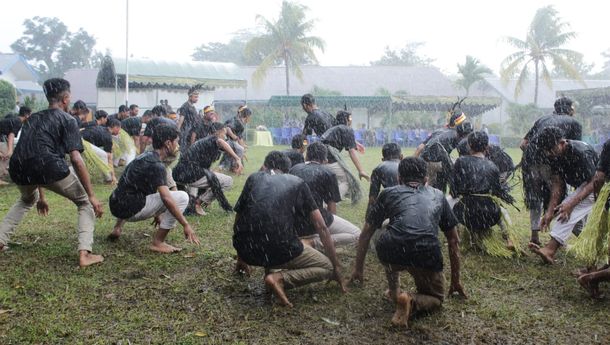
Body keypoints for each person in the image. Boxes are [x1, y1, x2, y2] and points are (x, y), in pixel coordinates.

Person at [350, 157, 465, 328]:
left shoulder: (388, 193)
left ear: (399, 178)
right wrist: (455, 280)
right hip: (425, 253)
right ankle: (410, 300)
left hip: (391, 251)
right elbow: (453, 240)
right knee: (436, 298)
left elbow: (366, 234)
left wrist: (358, 270)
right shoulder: (438, 195)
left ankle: (394, 291)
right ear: (426, 179)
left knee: (391, 235)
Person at [0, 78, 104, 267]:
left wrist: (41, 196)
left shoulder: (32, 118)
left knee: (25, 200)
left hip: (18, 167)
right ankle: (84, 254)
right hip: (47, 166)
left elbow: (33, 154)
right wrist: (92, 195)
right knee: (84, 203)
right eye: (69, 97)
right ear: (65, 99)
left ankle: (0, 240)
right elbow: (76, 159)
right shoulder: (67, 119)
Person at [232, 151, 346, 307]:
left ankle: (270, 270)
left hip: (248, 251)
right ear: (288, 169)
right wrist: (336, 266)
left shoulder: (253, 178)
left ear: (265, 166)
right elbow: (321, 227)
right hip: (278, 247)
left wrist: (241, 257)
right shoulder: (297, 182)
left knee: (267, 232)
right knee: (326, 267)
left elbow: (239, 219)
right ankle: (279, 279)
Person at [108, 124, 200, 253]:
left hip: (115, 204)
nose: (177, 146)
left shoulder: (143, 157)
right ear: (168, 143)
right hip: (129, 210)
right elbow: (166, 198)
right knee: (182, 197)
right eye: (176, 142)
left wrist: (157, 212)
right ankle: (158, 242)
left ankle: (117, 228)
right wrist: (186, 224)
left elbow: (134, 185)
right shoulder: (157, 166)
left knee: (129, 190)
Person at [529, 127, 598, 264]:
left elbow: (593, 182)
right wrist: (549, 212)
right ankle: (594, 246)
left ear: (562, 143)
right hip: (582, 185)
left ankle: (550, 249)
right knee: (577, 222)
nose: (549, 153)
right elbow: (557, 183)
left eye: (551, 149)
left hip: (598, 184)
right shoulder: (555, 155)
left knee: (566, 212)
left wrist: (570, 204)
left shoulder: (581, 153)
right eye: (546, 150)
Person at [520, 96, 582, 245]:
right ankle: (563, 236)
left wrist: (535, 157)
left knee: (534, 198)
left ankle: (534, 235)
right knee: (558, 198)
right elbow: (575, 149)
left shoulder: (542, 119)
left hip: (530, 162)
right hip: (552, 163)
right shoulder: (574, 123)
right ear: (570, 110)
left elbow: (523, 144)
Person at [289, 142, 361, 250]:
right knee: (357, 234)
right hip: (314, 221)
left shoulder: (294, 169)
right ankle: (313, 242)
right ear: (326, 160)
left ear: (306, 156)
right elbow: (332, 208)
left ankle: (312, 238)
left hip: (294, 223)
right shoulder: (328, 173)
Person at [450, 131, 515, 248]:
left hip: (466, 212)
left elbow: (454, 191)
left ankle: (456, 238)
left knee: (448, 202)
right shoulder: (493, 166)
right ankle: (509, 239)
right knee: (503, 212)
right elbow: (497, 193)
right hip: (489, 215)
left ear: (469, 145)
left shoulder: (460, 161)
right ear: (487, 146)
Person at [173, 122, 242, 216]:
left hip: (180, 175)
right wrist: (237, 158)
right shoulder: (214, 139)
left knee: (209, 176)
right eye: (224, 133)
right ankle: (198, 203)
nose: (225, 137)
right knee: (228, 181)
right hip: (189, 174)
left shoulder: (203, 142)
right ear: (218, 132)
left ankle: (193, 203)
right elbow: (220, 141)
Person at [575, 139, 610, 298]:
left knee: (596, 242)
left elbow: (598, 178)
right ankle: (591, 277)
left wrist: (598, 202)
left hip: (607, 199)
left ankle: (593, 276)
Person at [415, 109, 473, 193]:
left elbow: (420, 148)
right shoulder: (457, 134)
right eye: (464, 122)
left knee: (427, 188)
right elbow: (463, 154)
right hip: (437, 163)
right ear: (459, 124)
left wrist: (411, 163)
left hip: (424, 161)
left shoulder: (439, 130)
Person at [320, 110, 370, 203]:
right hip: (328, 159)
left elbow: (340, 139)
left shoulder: (335, 128)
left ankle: (326, 199)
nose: (351, 120)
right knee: (348, 181)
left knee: (334, 179)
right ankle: (331, 202)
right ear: (347, 119)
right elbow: (351, 152)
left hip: (318, 158)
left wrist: (356, 144)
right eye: (350, 118)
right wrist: (361, 170)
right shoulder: (347, 129)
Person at [81, 116, 118, 184]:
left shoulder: (102, 129)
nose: (119, 131)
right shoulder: (108, 137)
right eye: (119, 128)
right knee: (104, 155)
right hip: (81, 141)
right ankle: (109, 179)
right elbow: (109, 158)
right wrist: (113, 176)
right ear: (115, 127)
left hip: (78, 139)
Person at [0, 106, 31, 185]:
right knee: (6, 155)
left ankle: (4, 173)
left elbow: (8, 135)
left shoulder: (14, 120)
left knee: (3, 154)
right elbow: (11, 135)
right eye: (30, 115)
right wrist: (10, 150)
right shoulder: (18, 121)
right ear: (26, 115)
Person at [219, 105, 252, 173]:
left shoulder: (240, 121)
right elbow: (228, 128)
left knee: (239, 150)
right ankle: (233, 167)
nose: (249, 118)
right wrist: (234, 136)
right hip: (226, 140)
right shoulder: (236, 120)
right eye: (249, 115)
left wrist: (243, 145)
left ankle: (233, 167)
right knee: (239, 150)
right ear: (246, 115)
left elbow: (240, 137)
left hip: (229, 141)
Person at [177, 86, 201, 150]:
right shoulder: (185, 106)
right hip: (186, 132)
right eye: (195, 97)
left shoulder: (193, 107)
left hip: (192, 131)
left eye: (197, 97)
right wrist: (177, 131)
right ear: (190, 96)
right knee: (185, 150)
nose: (197, 99)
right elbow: (181, 119)